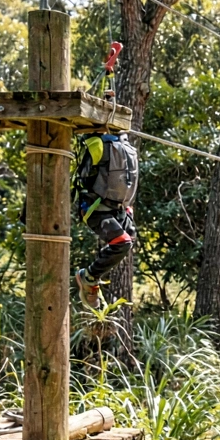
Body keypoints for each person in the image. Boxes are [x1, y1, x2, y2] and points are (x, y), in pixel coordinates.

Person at [72, 132, 139, 308]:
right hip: (96, 208)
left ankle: (91, 276)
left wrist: (127, 206)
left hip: (119, 208)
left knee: (130, 238)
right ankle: (89, 277)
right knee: (122, 242)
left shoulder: (127, 147)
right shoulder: (96, 145)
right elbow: (81, 178)